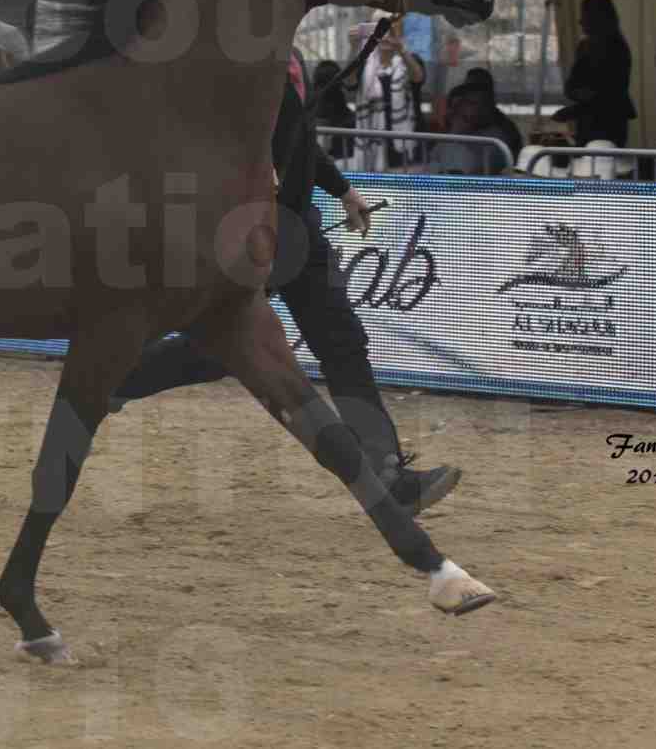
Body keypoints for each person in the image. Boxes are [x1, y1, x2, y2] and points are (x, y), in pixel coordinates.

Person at [111, 65, 462, 517]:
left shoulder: (280, 57)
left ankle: (388, 475)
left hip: (301, 228)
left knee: (343, 344)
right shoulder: (227, 60)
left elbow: (299, 141)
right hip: (250, 229)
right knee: (221, 350)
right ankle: (115, 380)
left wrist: (342, 189)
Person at [555, 0, 636, 146]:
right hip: (588, 121)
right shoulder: (584, 47)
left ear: (597, 18)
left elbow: (610, 93)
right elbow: (572, 85)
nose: (580, 21)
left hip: (609, 122)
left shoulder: (616, 48)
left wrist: (575, 107)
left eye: (584, 15)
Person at [354, 16, 425, 171]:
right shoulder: (365, 64)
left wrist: (402, 50)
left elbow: (418, 77)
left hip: (404, 148)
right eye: (381, 31)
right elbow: (349, 83)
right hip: (372, 146)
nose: (386, 36)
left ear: (400, 34)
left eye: (391, 31)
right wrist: (354, 47)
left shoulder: (409, 61)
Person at [427, 75, 514, 175]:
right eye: (464, 102)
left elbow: (474, 169)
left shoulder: (495, 139)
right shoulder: (450, 137)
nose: (462, 107)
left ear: (486, 108)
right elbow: (432, 165)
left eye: (472, 103)